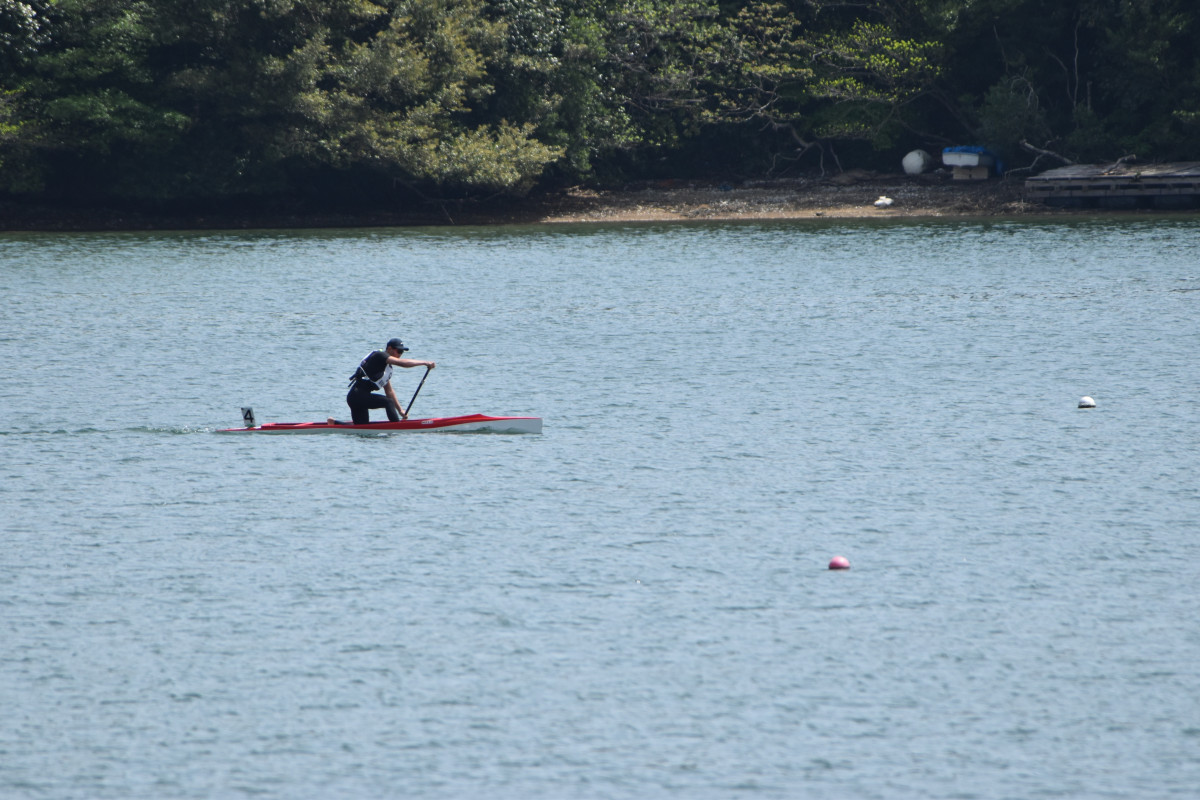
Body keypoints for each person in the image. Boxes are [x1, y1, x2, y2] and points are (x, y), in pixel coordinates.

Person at [336, 338, 436, 424]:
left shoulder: (384, 368)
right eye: (398, 351)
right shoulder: (380, 355)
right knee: (388, 402)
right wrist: (425, 362)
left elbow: (389, 391)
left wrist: (400, 410)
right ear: (389, 349)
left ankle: (334, 423)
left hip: (356, 397)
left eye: (402, 352)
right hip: (357, 396)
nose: (400, 354)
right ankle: (396, 427)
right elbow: (402, 363)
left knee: (362, 427)